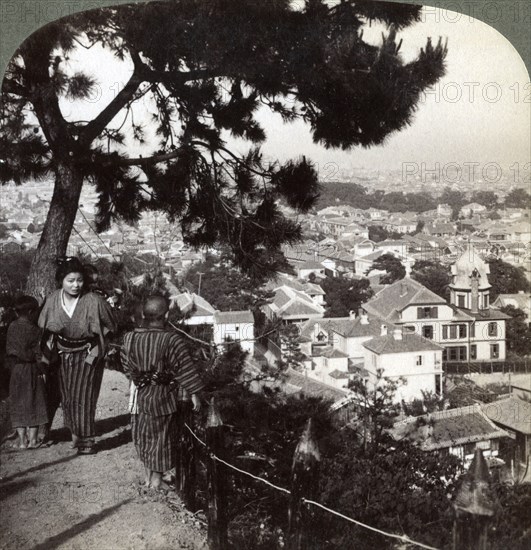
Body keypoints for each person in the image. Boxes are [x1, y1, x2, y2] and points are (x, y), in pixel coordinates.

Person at [120, 295, 203, 490]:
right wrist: (194, 392)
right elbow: (185, 368)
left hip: (141, 392)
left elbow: (126, 365)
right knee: (161, 437)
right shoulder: (171, 339)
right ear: (166, 315)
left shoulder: (130, 338)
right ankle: (156, 482)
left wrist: (141, 377)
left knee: (145, 434)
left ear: (143, 314)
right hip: (163, 395)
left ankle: (149, 477)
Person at [38, 257, 116, 455]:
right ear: (61, 281)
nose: (75, 285)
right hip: (62, 354)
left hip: (88, 353)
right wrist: (46, 358)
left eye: (79, 280)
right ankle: (75, 435)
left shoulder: (93, 300)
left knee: (84, 396)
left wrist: (99, 349)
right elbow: (45, 330)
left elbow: (109, 326)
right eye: (70, 280)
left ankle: (86, 441)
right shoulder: (52, 299)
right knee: (68, 397)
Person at [6, 296, 48, 449]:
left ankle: (22, 442)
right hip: (31, 369)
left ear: (17, 313)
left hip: (16, 370)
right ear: (31, 312)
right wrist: (44, 368)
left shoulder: (11, 327)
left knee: (18, 403)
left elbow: (9, 350)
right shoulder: (35, 329)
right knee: (35, 401)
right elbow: (38, 354)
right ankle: (33, 440)